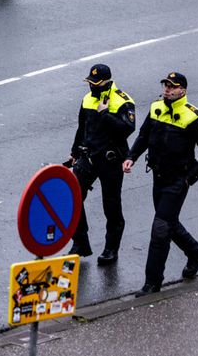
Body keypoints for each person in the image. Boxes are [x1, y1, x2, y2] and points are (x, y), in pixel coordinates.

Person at [123, 72, 198, 296]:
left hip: (177, 181)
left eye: (172, 86)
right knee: (168, 223)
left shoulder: (194, 117)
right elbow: (144, 136)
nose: (167, 89)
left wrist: (188, 179)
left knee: (160, 229)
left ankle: (152, 283)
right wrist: (131, 157)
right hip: (158, 177)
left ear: (182, 90)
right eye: (165, 85)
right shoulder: (156, 107)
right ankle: (195, 253)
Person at [67, 64, 136, 264]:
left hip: (110, 159)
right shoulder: (87, 100)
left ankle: (111, 249)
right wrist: (74, 152)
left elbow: (127, 129)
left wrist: (105, 114)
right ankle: (80, 242)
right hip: (88, 158)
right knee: (73, 197)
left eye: (96, 84)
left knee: (111, 206)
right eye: (90, 82)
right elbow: (82, 128)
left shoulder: (122, 101)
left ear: (106, 83)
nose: (92, 87)